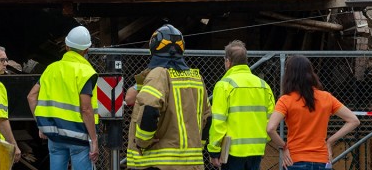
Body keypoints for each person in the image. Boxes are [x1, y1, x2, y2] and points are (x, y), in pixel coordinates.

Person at [127, 24, 210, 170]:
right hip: (192, 163)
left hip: (159, 164)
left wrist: (142, 142)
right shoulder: (197, 78)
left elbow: (150, 109)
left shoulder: (159, 74)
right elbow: (208, 118)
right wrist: (197, 145)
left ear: (154, 47)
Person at [266, 55, 360, 170]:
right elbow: (354, 120)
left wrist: (284, 147)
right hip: (322, 160)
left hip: (295, 159)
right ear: (311, 73)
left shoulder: (286, 100)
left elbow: (270, 128)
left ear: (289, 75)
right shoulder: (326, 97)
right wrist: (330, 141)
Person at [27, 26, 99, 170]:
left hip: (54, 135)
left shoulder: (51, 69)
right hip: (79, 136)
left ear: (66, 46)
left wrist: (42, 125)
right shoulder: (86, 72)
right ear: (87, 49)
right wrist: (94, 139)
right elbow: (86, 109)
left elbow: (31, 96)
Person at [207, 40, 276, 170]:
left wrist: (214, 150)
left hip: (231, 152)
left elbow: (218, 122)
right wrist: (262, 141)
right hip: (256, 150)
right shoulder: (263, 86)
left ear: (228, 61)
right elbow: (270, 119)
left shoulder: (224, 85)